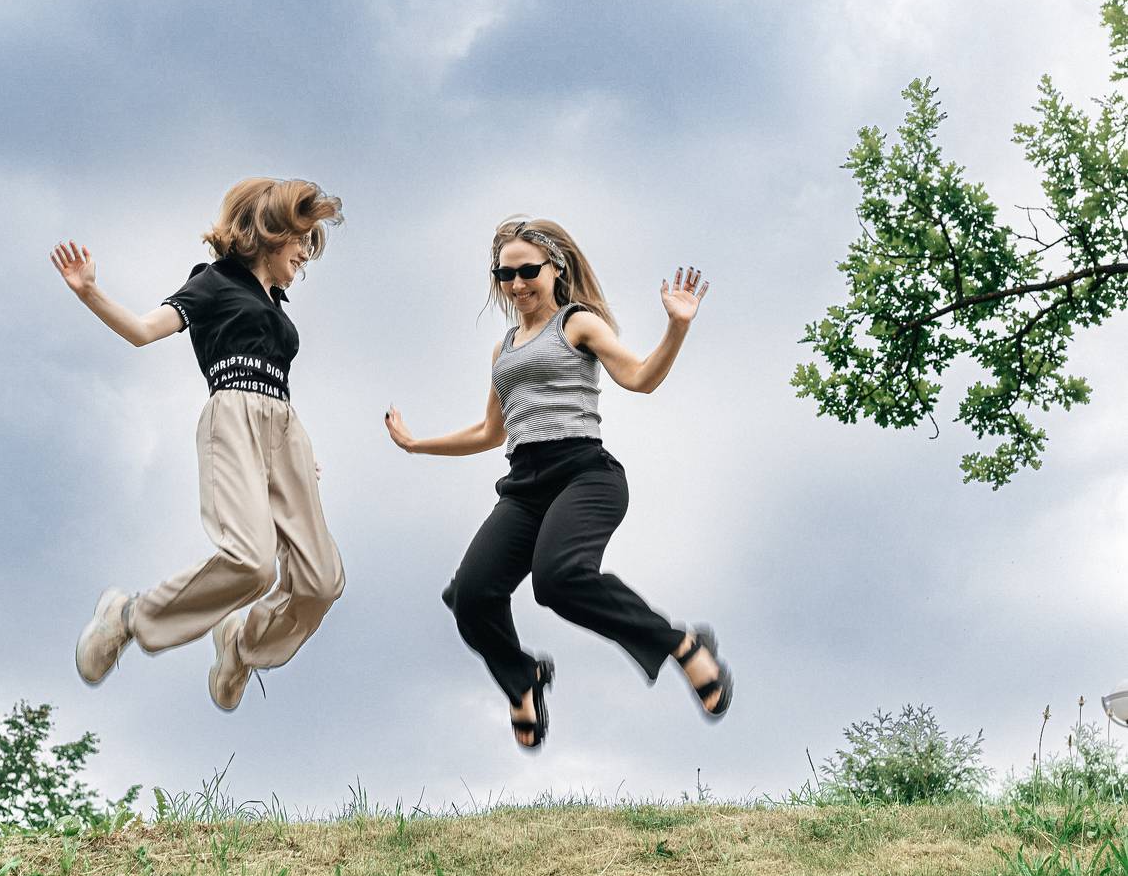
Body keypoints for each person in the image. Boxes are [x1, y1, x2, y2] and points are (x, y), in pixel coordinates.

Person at [384, 217, 732, 749]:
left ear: (555, 268)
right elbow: (489, 432)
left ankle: (681, 645)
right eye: (505, 274)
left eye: (528, 271)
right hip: (525, 486)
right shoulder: (503, 350)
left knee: (558, 580)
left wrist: (677, 327)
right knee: (471, 596)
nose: (517, 284)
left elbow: (640, 378)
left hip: (584, 474)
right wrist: (416, 444)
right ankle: (523, 680)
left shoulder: (577, 324)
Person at [51, 178, 346, 711]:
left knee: (321, 581)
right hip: (232, 418)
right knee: (252, 564)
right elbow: (143, 330)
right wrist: (90, 291)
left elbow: (276, 390)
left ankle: (241, 648)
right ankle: (128, 618)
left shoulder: (276, 306)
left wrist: (294, 454)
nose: (305, 254)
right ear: (271, 231)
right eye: (301, 239)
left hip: (284, 432)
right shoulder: (215, 282)